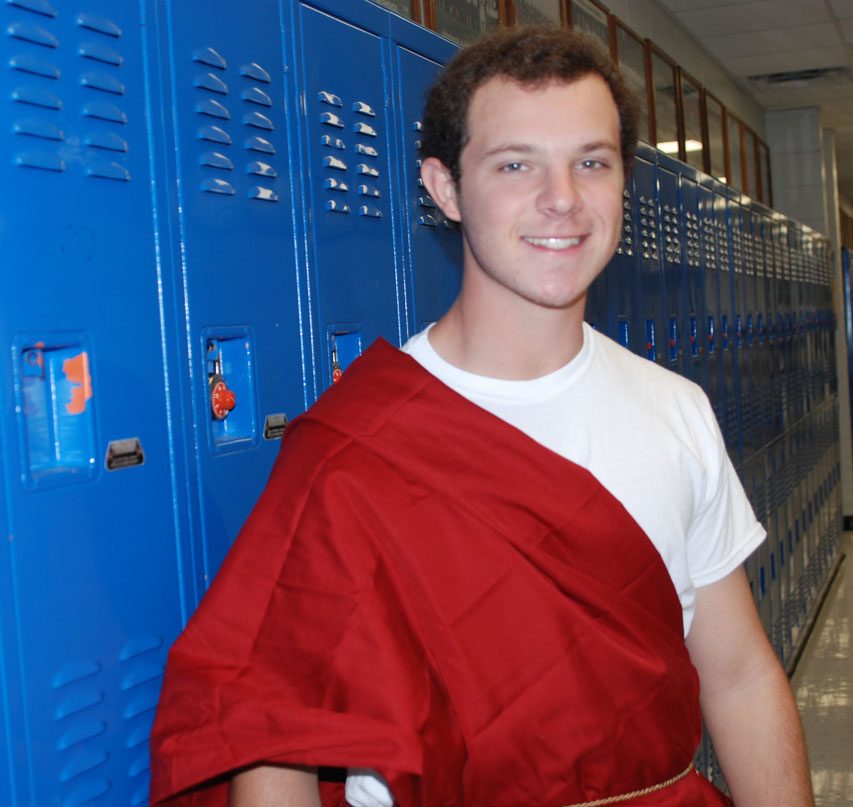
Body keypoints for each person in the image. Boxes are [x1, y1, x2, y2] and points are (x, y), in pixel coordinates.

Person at [150, 27, 814, 807]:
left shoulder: (678, 410)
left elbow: (737, 676)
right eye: (515, 164)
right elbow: (272, 738)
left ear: (622, 183)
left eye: (591, 162)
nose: (561, 198)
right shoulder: (355, 450)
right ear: (445, 188)